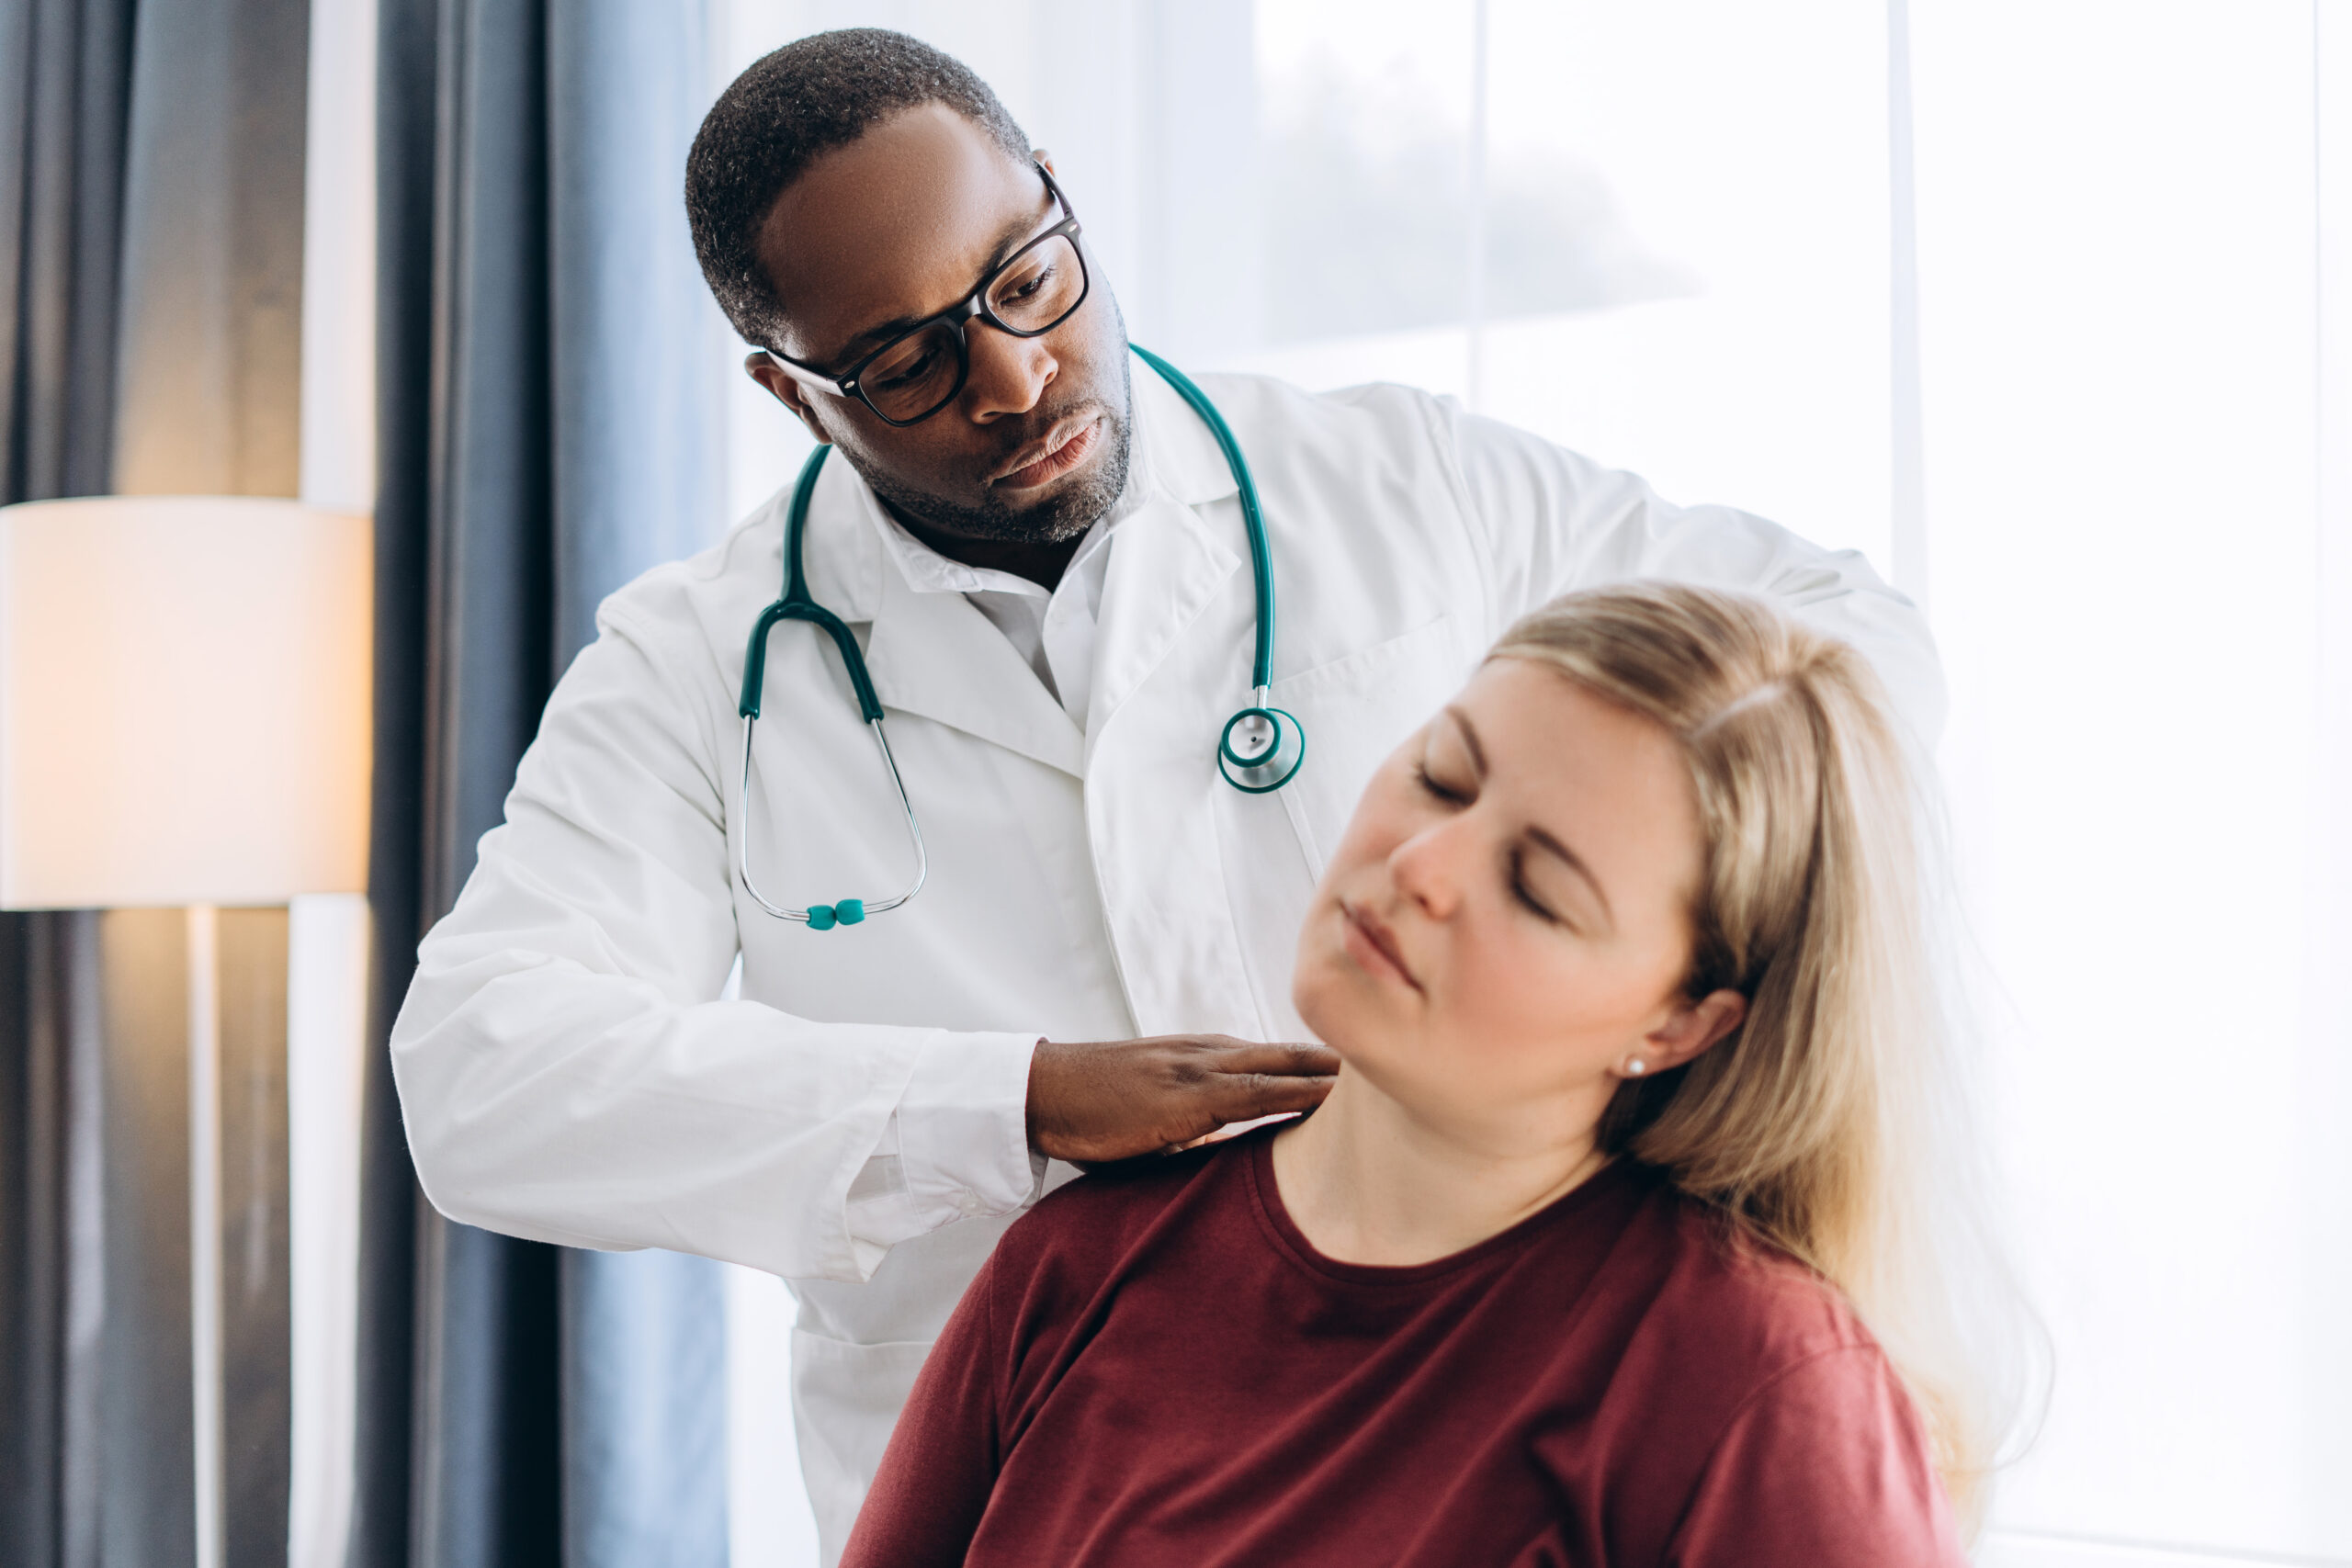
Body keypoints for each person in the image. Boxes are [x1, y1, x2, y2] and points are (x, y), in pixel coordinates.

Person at [389, 28, 1948, 1560]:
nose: (1012, 375)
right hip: (1027, 1473)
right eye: (907, 361)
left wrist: (1633, 931)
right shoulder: (698, 663)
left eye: (1025, 278)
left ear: (1060, 193)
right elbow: (479, 1073)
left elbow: (1840, 651)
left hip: (1460, 1347)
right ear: (794, 394)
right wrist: (1015, 1104)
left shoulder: (1399, 487)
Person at [842, 585, 1983, 1567]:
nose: (1421, 865)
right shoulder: (1075, 1269)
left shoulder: (1752, 1392)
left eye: (1538, 889)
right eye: (1441, 779)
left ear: (1683, 1022)